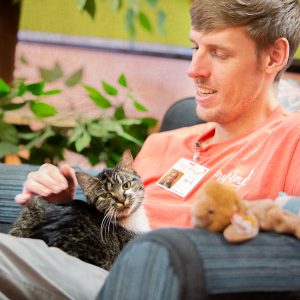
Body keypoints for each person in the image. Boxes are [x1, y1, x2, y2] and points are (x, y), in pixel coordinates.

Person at [1, 0, 300, 299]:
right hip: (88, 264)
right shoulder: (163, 142)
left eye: (219, 54)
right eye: (195, 48)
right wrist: (61, 206)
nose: (194, 70)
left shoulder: (291, 138)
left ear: (274, 56)